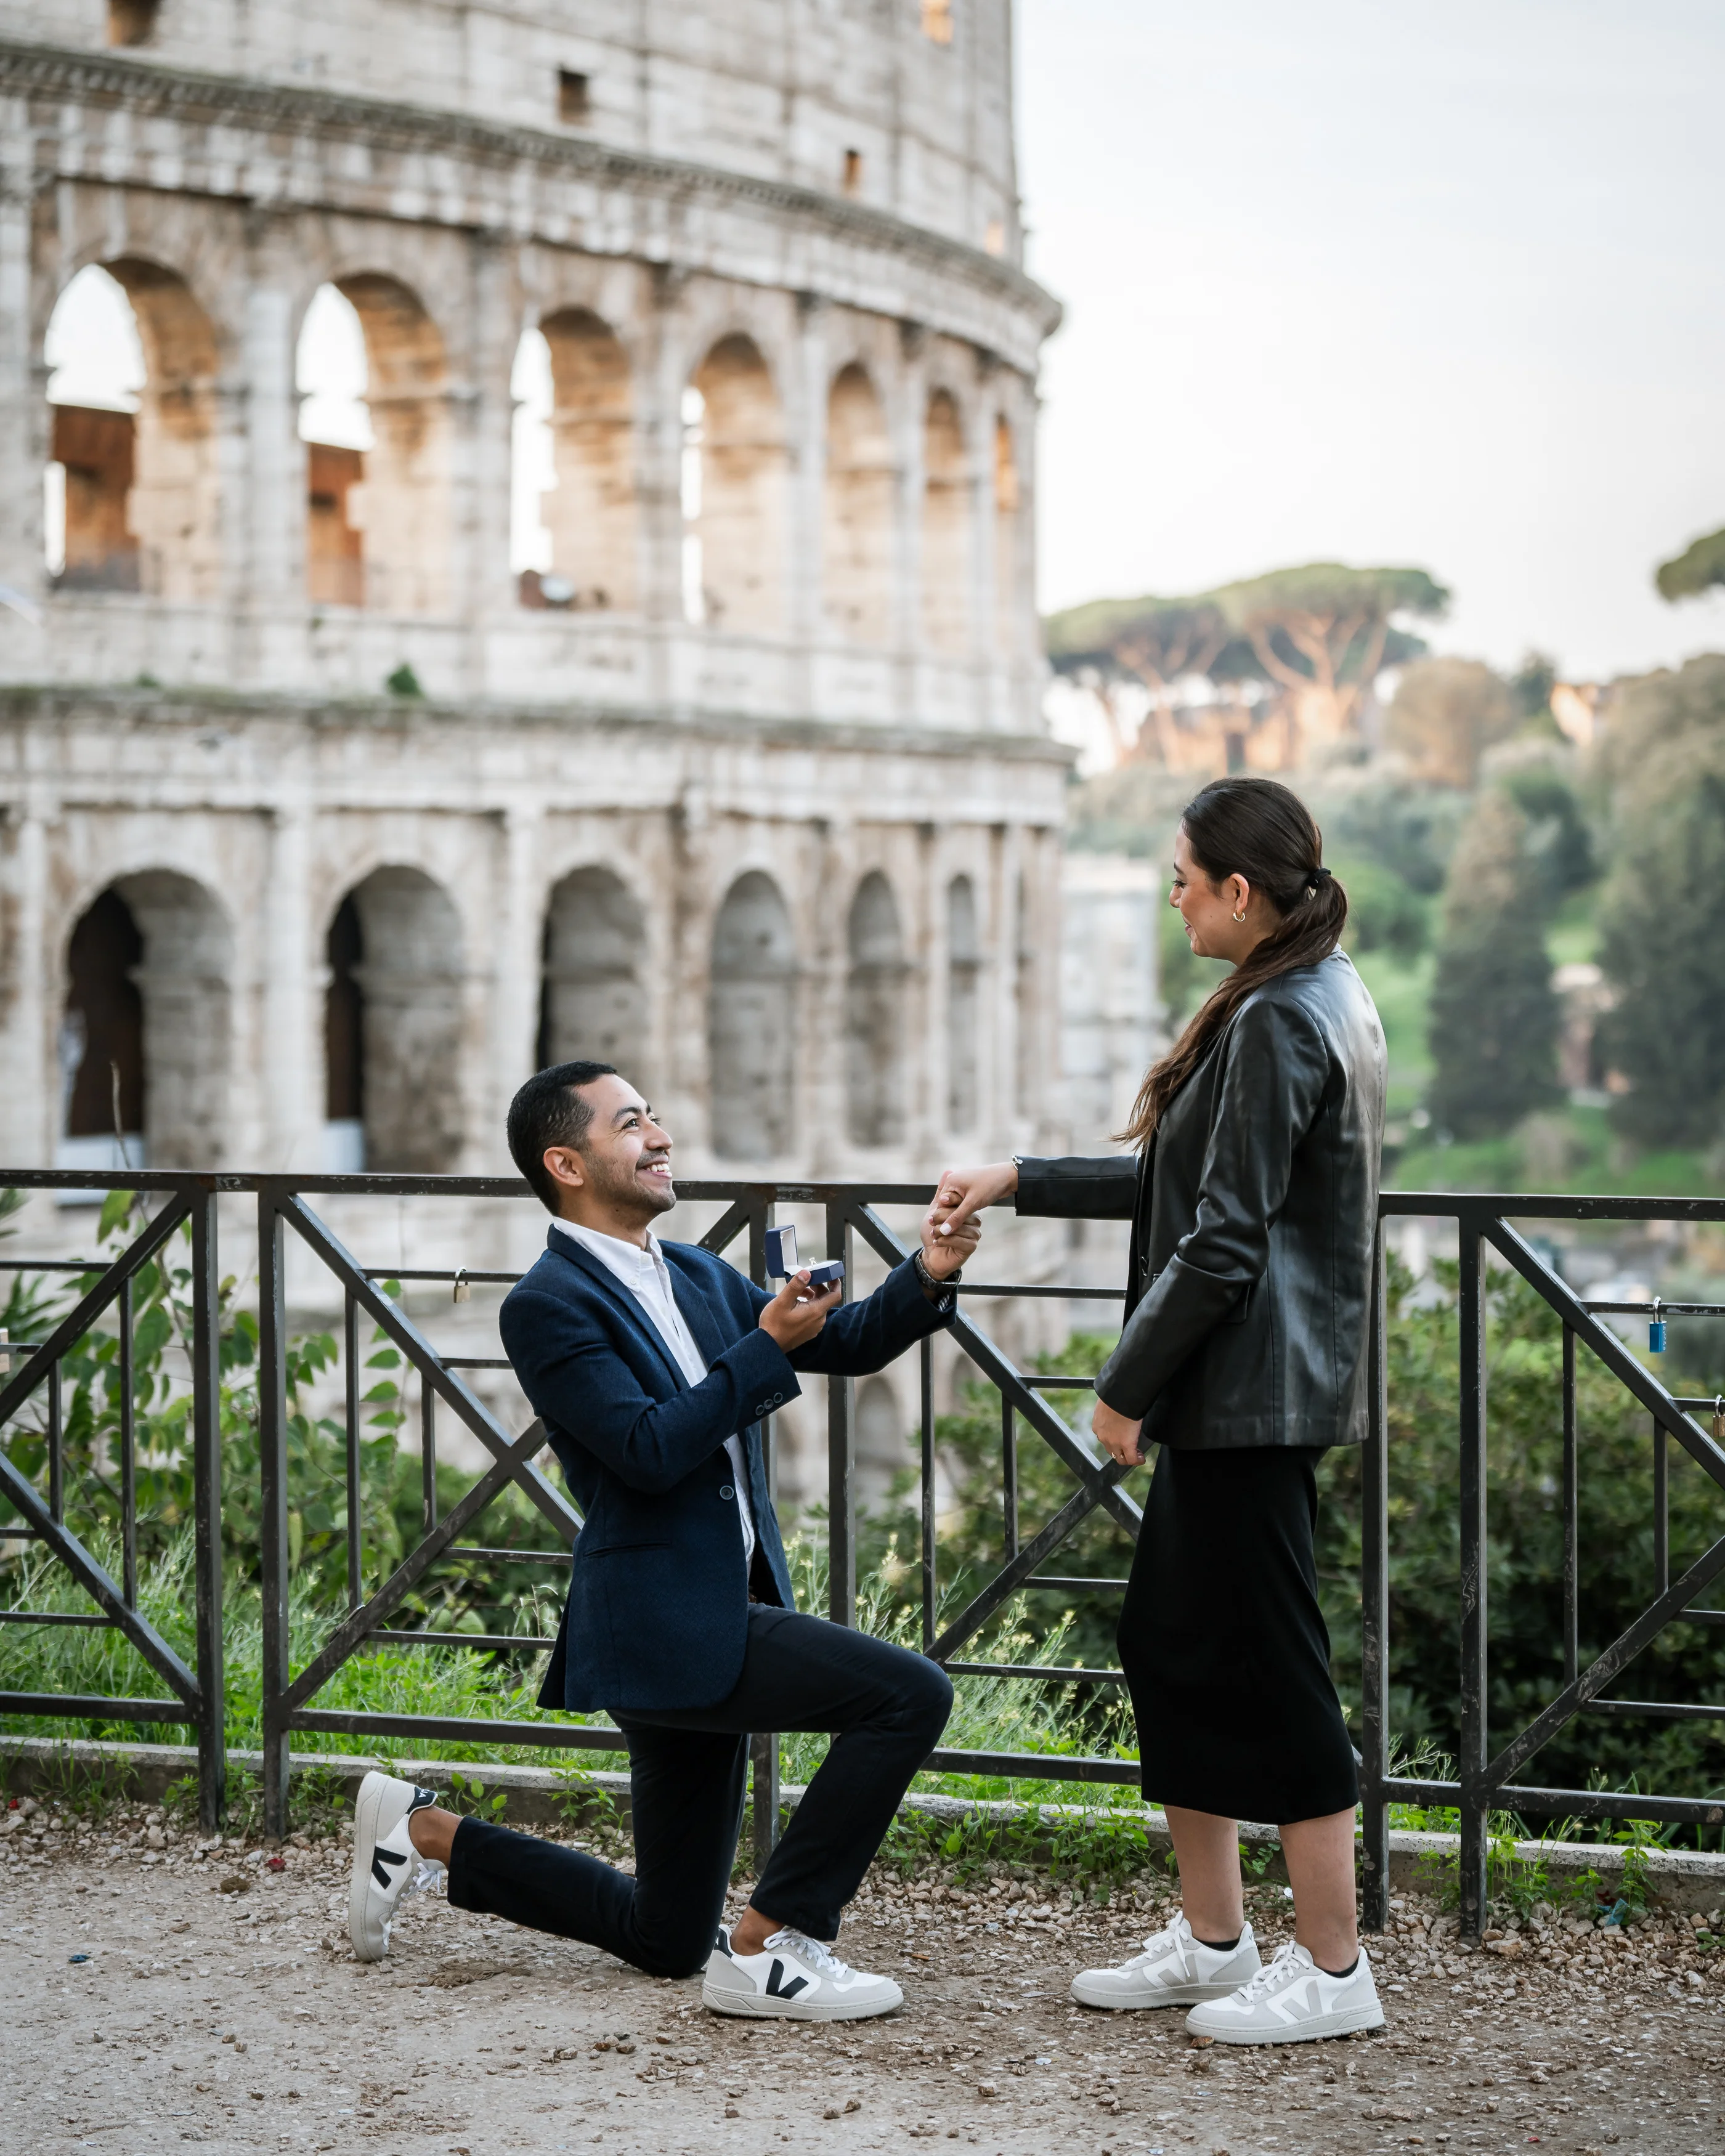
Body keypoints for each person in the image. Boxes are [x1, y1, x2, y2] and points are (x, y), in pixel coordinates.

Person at [346, 1061, 975, 2022]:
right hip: (659, 1620)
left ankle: (424, 1831)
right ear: (567, 1164)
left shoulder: (691, 1272)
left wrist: (928, 1270)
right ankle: (773, 1944)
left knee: (666, 1937)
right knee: (908, 1694)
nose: (661, 1137)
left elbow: (843, 1342)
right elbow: (646, 1450)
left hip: (721, 1608)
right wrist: (763, 1346)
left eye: (655, 1118)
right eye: (631, 1123)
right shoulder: (547, 1304)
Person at [927, 776, 1387, 2046]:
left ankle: (1336, 1970)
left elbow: (1223, 1236)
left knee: (1276, 1671)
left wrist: (1124, 1386)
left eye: (1180, 881)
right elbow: (1180, 1179)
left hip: (1251, 1396)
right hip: (1249, 1390)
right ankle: (1214, 1940)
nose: (1170, 900)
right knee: (1170, 1644)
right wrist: (1018, 1177)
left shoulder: (1279, 1015)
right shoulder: (1311, 990)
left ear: (1238, 890)